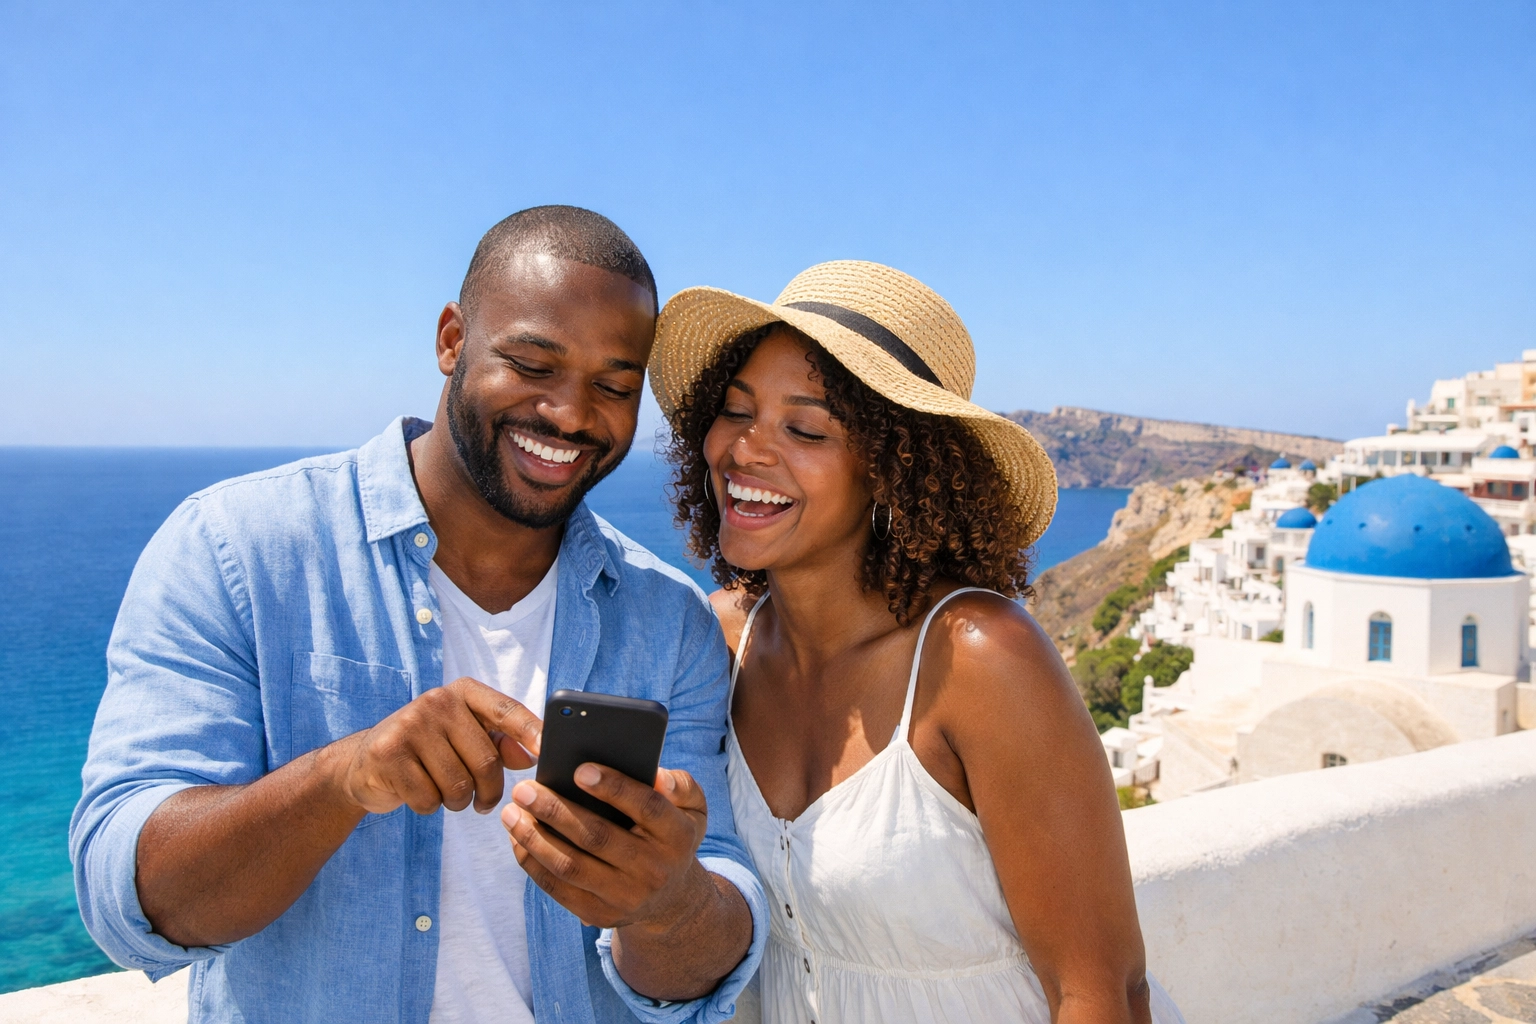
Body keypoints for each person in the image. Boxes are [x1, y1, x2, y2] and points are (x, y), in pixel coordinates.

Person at [70, 206, 766, 1024]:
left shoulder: (668, 620)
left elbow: (705, 955)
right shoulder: (236, 550)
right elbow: (130, 902)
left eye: (613, 387)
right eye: (533, 364)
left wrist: (668, 903)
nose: (573, 414)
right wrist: (347, 777)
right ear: (450, 340)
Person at [648, 261, 1186, 1024]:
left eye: (804, 428)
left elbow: (1102, 991)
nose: (745, 450)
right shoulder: (724, 640)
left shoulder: (978, 658)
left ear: (894, 470)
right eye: (736, 412)